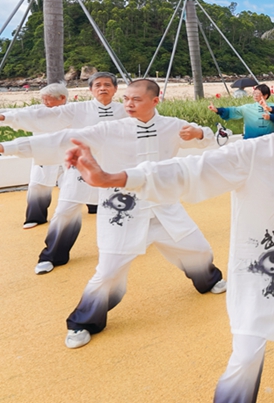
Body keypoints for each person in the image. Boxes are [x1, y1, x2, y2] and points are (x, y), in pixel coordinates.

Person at [66, 81, 274, 403]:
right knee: (247, 355)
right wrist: (114, 178)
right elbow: (191, 170)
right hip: (263, 271)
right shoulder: (252, 153)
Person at [0, 79, 225, 348]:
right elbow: (62, 139)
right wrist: (8, 147)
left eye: (136, 99)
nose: (128, 104)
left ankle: (208, 280)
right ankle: (83, 322)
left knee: (198, 249)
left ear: (155, 101)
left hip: (164, 206)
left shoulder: (172, 126)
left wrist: (199, 134)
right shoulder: (109, 129)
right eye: (126, 99)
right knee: (108, 272)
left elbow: (211, 140)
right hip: (122, 210)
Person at [0, 72, 127, 273]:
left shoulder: (125, 110)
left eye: (107, 85)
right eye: (98, 85)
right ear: (91, 89)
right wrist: (7, 117)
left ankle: (128, 246)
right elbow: (44, 115)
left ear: (115, 89)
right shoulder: (77, 109)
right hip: (81, 169)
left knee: (125, 209)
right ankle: (52, 256)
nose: (103, 88)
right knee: (65, 211)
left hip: (114, 170)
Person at [6, 82, 69, 228]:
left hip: (70, 154)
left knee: (81, 182)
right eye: (43, 99)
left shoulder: (74, 110)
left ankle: (94, 206)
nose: (44, 102)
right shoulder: (37, 110)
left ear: (62, 98)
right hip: (45, 154)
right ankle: (35, 217)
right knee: (38, 185)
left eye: (48, 99)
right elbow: (15, 114)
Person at [208, 84, 274, 140]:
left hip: (269, 141)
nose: (255, 95)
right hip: (250, 141)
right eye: (254, 93)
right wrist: (217, 110)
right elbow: (232, 111)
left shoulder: (273, 107)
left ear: (265, 96)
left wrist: (270, 117)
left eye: (258, 93)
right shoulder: (247, 108)